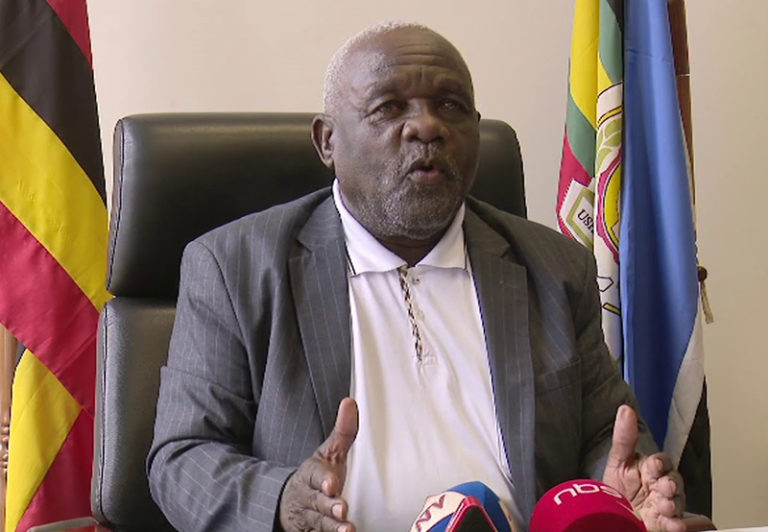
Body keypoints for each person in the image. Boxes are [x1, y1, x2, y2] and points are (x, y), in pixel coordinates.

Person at [148, 22, 686, 532]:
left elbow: (605, 434)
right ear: (327, 141)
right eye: (388, 107)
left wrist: (623, 488)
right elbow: (182, 458)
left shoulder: (552, 267)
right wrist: (285, 501)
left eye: (451, 106)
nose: (427, 126)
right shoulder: (236, 267)